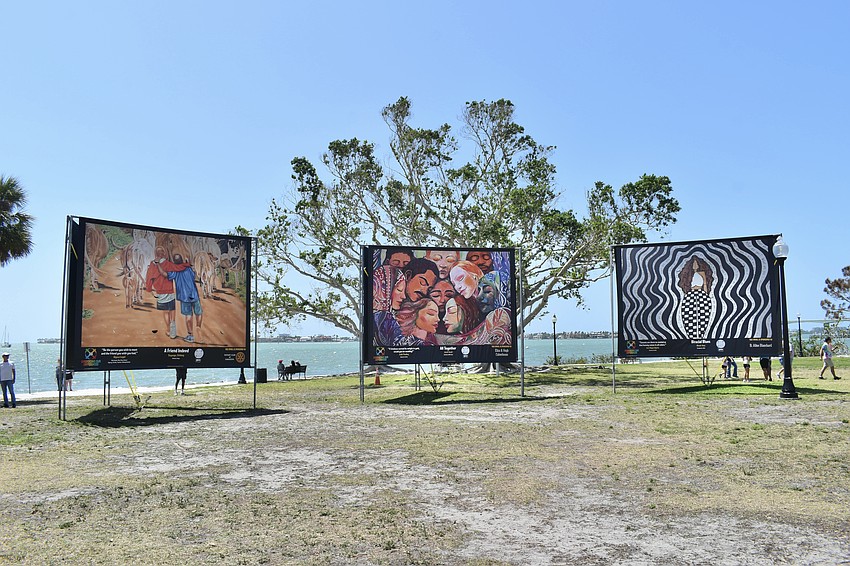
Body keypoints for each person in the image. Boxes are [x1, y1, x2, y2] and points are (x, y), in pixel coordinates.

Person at [158, 253, 203, 343]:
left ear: (174, 262)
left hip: (184, 297)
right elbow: (194, 276)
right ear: (182, 260)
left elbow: (164, 274)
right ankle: (198, 326)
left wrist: (158, 265)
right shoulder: (189, 268)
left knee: (188, 316)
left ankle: (190, 335)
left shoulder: (175, 271)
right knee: (198, 312)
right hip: (194, 294)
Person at [145, 245, 177, 339]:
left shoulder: (152, 264)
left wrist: (149, 289)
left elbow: (149, 277)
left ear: (155, 254)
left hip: (160, 292)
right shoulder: (168, 263)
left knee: (166, 312)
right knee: (172, 310)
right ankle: (173, 326)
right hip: (170, 290)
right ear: (164, 254)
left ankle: (168, 329)